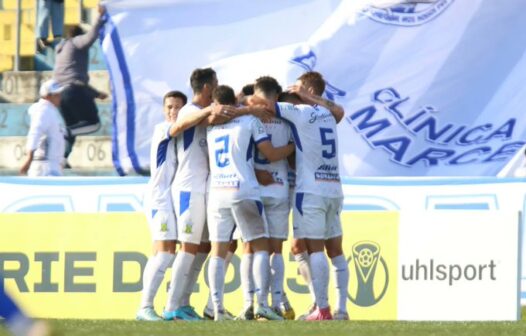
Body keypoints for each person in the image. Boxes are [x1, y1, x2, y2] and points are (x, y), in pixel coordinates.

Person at [206, 85, 293, 321]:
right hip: (243, 190)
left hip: (217, 193)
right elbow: (271, 153)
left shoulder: (210, 126)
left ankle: (218, 308)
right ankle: (261, 304)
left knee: (218, 251)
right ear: (235, 103)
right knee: (261, 247)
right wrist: (296, 146)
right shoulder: (249, 122)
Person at [287, 71, 349, 321]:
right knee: (330, 249)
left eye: (299, 88)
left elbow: (268, 104)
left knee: (315, 249)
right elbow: (340, 111)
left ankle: (322, 309)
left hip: (311, 190)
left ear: (309, 91)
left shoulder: (302, 113)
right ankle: (340, 309)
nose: (294, 92)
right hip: (333, 187)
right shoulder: (328, 114)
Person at [237, 76, 295, 320]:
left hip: (254, 188)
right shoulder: (287, 120)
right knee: (276, 250)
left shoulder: (245, 118)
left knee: (249, 248)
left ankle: (249, 303)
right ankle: (276, 302)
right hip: (279, 187)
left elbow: (242, 152)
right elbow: (293, 158)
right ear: (277, 95)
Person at [136, 91, 186, 321]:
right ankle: (145, 307)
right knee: (165, 254)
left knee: (161, 253)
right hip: (159, 198)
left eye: (177, 107)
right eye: (169, 107)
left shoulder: (182, 135)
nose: (173, 112)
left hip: (169, 198)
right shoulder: (162, 129)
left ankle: (149, 307)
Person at [53, 4, 108, 161]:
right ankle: (62, 133)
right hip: (74, 91)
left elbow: (72, 77)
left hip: (61, 94)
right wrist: (100, 18)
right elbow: (91, 37)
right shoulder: (76, 42)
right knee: (93, 123)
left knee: (74, 127)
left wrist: (96, 94)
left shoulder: (61, 48)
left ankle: (62, 159)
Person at [19, 79, 66, 177]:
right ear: (48, 96)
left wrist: (60, 162)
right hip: (44, 166)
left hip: (50, 164)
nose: (59, 97)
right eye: (56, 95)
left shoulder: (50, 111)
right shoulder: (43, 111)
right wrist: (29, 159)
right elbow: (35, 133)